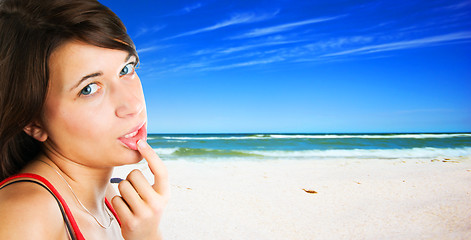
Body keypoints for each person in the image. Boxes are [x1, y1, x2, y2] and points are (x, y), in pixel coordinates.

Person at [0, 0, 169, 239]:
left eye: (126, 69)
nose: (133, 106)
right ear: (32, 122)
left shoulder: (111, 197)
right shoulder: (25, 216)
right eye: (89, 89)